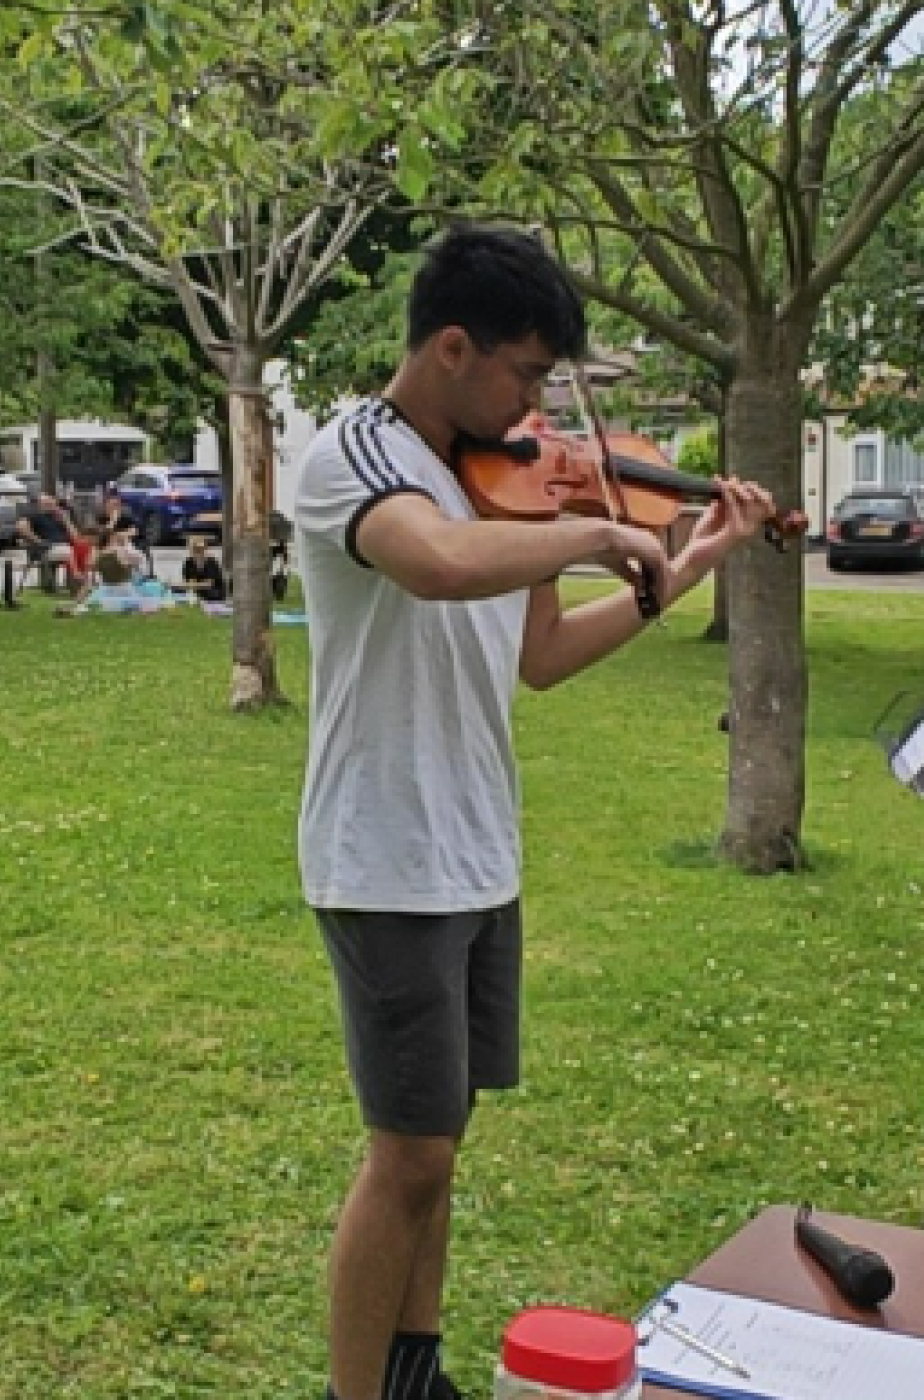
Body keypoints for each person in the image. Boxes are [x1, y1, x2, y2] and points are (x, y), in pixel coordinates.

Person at [295, 224, 778, 1400]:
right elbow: (436, 566)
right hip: (387, 854)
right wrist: (610, 527)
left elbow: (546, 652)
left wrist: (690, 560)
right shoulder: (352, 456)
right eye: (523, 374)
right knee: (404, 1153)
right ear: (451, 347)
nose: (534, 413)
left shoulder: (491, 483)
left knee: (438, 1145)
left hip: (473, 849)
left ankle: (419, 1370)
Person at [16, 493, 86, 596]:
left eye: (52, 503)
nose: (50, 506)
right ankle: (77, 584)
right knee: (70, 552)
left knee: (81, 550)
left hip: (64, 547)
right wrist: (38, 541)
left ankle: (77, 586)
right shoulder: (33, 514)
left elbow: (76, 537)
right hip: (45, 549)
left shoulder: (60, 517)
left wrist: (66, 520)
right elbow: (20, 527)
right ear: (40, 504)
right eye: (46, 503)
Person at [181, 535, 227, 602]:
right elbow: (188, 582)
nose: (197, 551)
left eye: (200, 549)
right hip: (198, 595)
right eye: (194, 548)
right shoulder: (188, 563)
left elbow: (208, 584)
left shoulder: (211, 562)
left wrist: (191, 585)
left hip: (215, 595)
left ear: (205, 548)